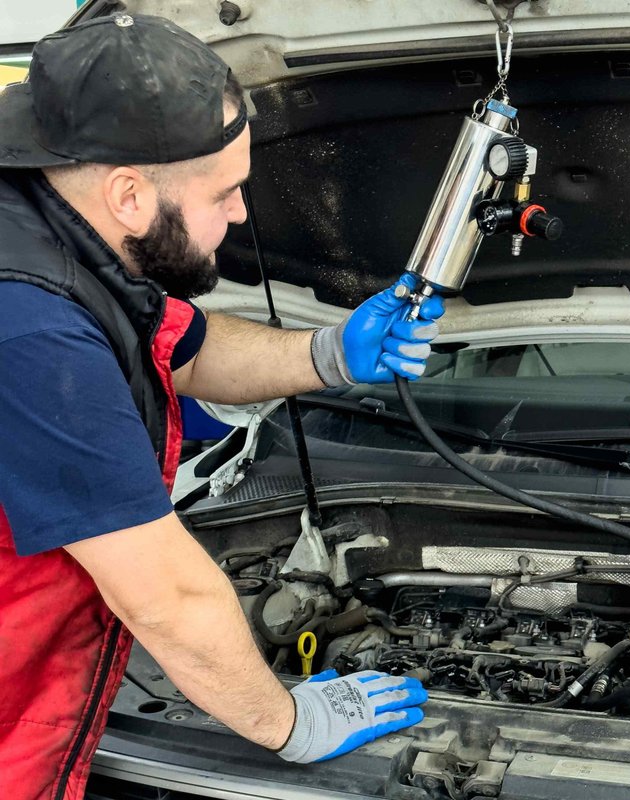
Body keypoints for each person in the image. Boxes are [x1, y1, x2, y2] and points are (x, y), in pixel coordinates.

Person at [0, 13, 443, 799]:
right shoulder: (31, 330)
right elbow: (164, 596)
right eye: (225, 191)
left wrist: (329, 353)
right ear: (128, 194)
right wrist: (290, 722)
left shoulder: (55, 226)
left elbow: (183, 347)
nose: (240, 212)